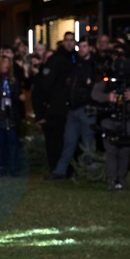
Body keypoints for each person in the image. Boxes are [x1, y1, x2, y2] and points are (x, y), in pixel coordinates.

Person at [91, 54, 130, 190]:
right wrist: (108, 97)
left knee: (125, 150)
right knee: (111, 150)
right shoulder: (108, 78)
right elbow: (95, 94)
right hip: (109, 118)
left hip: (127, 119)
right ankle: (112, 180)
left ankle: (121, 180)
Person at [48, 37, 97, 179]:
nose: (81, 49)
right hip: (73, 109)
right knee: (69, 142)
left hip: (85, 108)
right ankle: (61, 171)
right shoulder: (76, 66)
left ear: (90, 48)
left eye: (84, 46)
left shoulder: (93, 66)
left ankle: (88, 172)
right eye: (80, 47)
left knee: (87, 142)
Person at [40, 31, 77, 175]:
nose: (69, 43)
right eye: (67, 40)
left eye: (72, 40)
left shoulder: (74, 58)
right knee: (56, 139)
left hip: (69, 106)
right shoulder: (56, 59)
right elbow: (46, 84)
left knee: (67, 139)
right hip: (58, 107)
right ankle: (56, 167)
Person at [0, 53, 25, 176]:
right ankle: (2, 166)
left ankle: (12, 167)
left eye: (8, 63)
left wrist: (19, 97)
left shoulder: (13, 81)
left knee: (12, 142)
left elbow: (16, 95)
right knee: (1, 143)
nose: (7, 65)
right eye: (4, 63)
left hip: (11, 115)